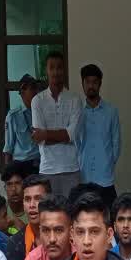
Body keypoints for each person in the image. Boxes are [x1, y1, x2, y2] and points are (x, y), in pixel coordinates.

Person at [31, 52, 83, 201]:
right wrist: (63, 135)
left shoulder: (75, 99)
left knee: (71, 214)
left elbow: (72, 135)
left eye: (59, 67)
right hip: (48, 169)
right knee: (49, 217)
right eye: (51, 67)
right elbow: (39, 139)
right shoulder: (37, 101)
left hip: (71, 169)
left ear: (64, 70)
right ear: (46, 71)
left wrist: (45, 134)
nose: (55, 71)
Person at [78, 63, 121, 205]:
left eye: (94, 82)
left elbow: (116, 143)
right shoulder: (77, 112)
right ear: (83, 84)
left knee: (108, 218)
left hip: (105, 178)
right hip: (84, 176)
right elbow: (75, 143)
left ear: (100, 84)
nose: (91, 86)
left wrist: (108, 162)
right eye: (87, 82)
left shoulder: (111, 111)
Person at [6, 174, 50, 260]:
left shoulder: (64, 237)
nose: (32, 205)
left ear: (49, 201)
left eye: (38, 198)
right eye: (27, 199)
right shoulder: (15, 243)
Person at [3, 74, 41, 172]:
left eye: (37, 88)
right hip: (22, 166)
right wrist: (8, 174)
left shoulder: (43, 113)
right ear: (23, 92)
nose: (36, 92)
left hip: (41, 164)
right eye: (32, 88)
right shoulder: (13, 116)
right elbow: (8, 149)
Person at [0, 161, 32, 234]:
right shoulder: (1, 208)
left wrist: (15, 221)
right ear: (5, 187)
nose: (14, 189)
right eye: (9, 184)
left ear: (25, 185)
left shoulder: (33, 207)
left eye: (17, 183)